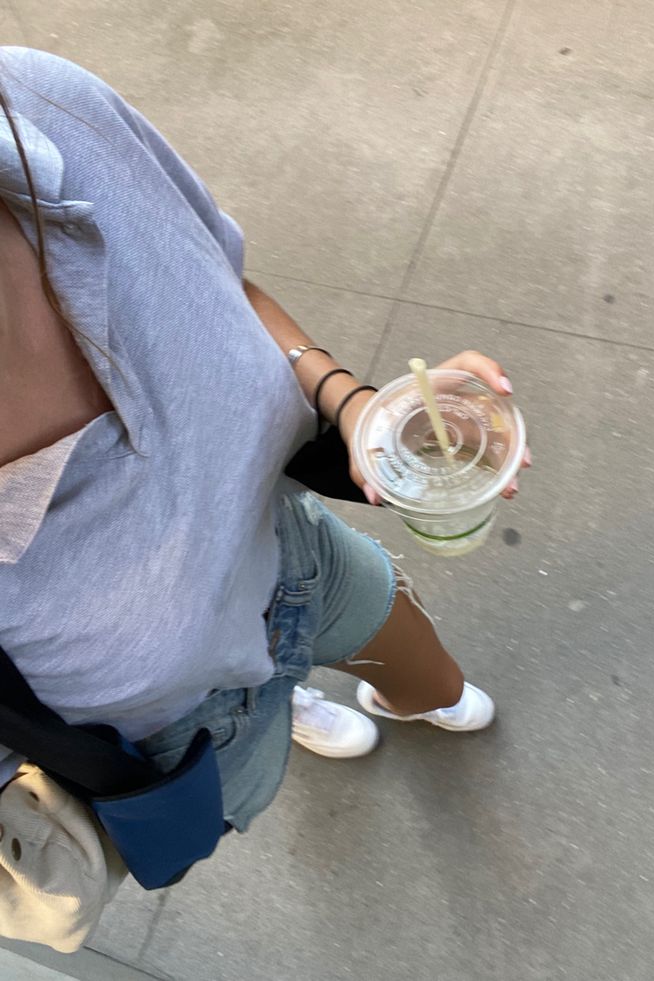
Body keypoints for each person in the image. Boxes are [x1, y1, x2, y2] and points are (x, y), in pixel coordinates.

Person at [0, 47, 530, 838]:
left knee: (438, 683)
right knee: (247, 744)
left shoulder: (45, 107)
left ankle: (363, 689)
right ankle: (289, 702)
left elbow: (227, 285)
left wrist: (352, 404)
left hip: (290, 553)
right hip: (185, 731)